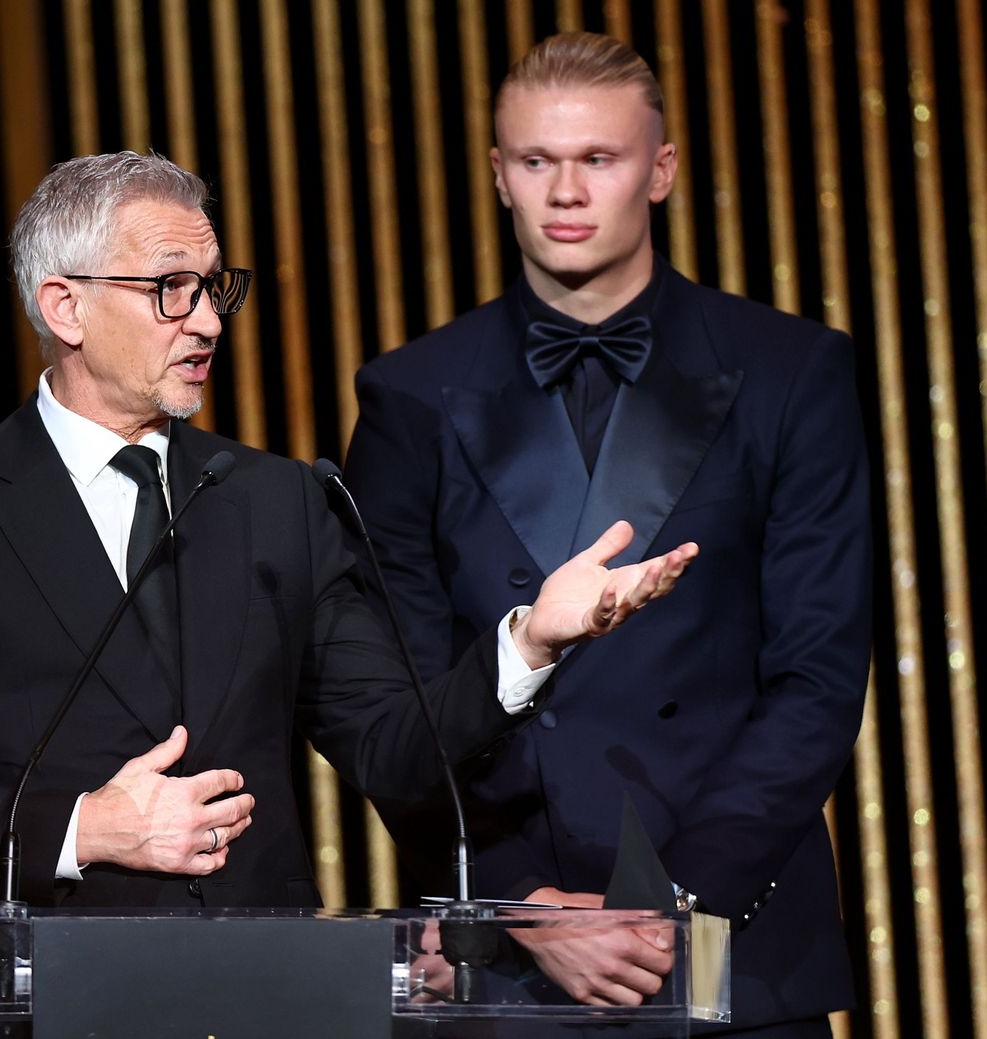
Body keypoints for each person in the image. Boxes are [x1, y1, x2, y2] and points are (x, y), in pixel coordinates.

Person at [0, 150, 696, 909]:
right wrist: (84, 826)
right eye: (168, 289)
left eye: (212, 288)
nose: (205, 320)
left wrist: (530, 641)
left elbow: (395, 747)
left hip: (261, 992)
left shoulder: (281, 500)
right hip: (40, 997)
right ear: (65, 306)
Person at [344, 33, 870, 1036]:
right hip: (505, 948)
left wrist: (670, 908)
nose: (566, 191)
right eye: (537, 161)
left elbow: (817, 674)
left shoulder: (790, 371)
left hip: (733, 934)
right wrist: (518, 903)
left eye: (599, 159)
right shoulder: (408, 394)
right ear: (499, 177)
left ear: (660, 170)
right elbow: (397, 695)